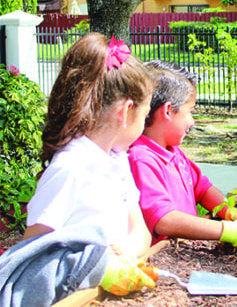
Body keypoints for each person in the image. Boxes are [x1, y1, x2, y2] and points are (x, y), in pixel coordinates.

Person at [17, 33, 157, 298]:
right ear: (125, 112)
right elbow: (30, 259)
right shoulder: (71, 169)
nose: (145, 123)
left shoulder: (117, 161)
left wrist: (123, 258)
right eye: (146, 113)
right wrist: (100, 266)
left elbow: (140, 231)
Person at [128, 60, 237, 253]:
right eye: (190, 112)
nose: (193, 121)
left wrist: (230, 212)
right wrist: (228, 230)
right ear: (168, 111)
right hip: (164, 256)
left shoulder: (172, 151)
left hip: (187, 246)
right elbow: (164, 220)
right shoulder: (141, 159)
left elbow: (202, 189)